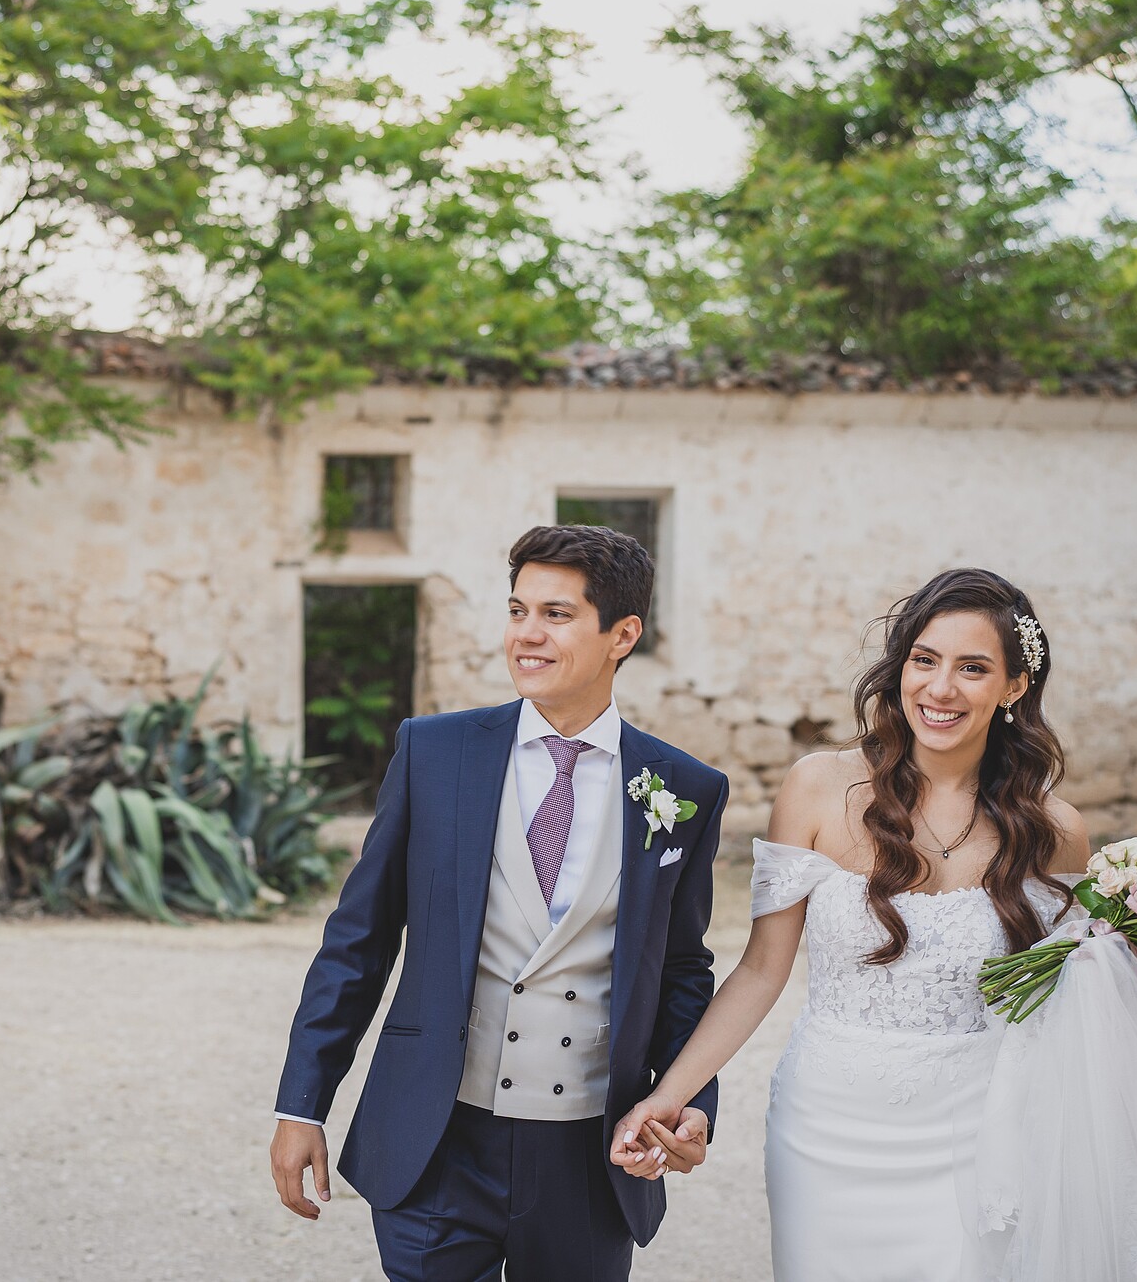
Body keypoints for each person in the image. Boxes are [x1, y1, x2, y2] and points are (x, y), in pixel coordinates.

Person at [270, 524, 730, 1280]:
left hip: (590, 1156)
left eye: (556, 615)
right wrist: (301, 1105)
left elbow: (682, 969)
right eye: (518, 611)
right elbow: (359, 941)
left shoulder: (684, 789)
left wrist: (692, 1101)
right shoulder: (433, 752)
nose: (527, 635)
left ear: (624, 634)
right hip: (437, 1143)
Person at [609, 567, 1093, 1280]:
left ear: (1015, 686)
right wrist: (665, 1096)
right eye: (924, 660)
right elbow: (761, 969)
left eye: (973, 668)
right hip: (826, 1126)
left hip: (983, 1131)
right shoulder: (816, 787)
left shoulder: (1055, 832)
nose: (940, 688)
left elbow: (1063, 1008)